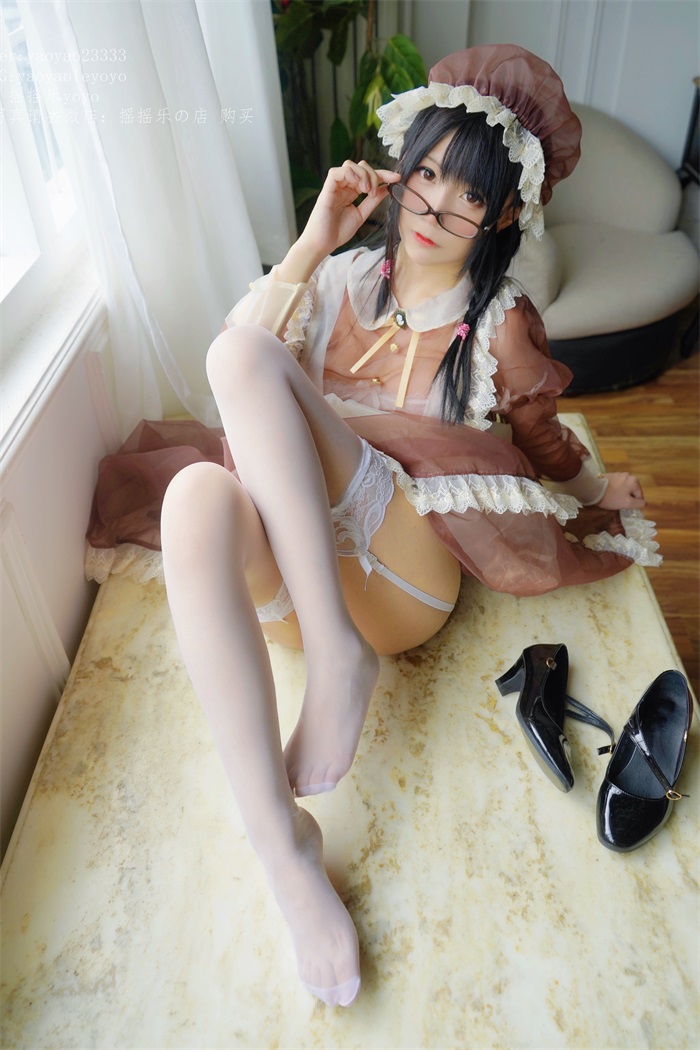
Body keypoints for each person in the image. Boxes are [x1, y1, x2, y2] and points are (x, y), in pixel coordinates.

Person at [89, 45, 659, 1008]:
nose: (433, 207)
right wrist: (313, 242)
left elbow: (539, 437)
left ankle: (341, 660)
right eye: (424, 173)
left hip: (399, 581)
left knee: (247, 361)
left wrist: (600, 487)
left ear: (504, 213)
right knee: (196, 495)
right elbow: (235, 366)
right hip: (298, 588)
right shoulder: (341, 280)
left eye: (466, 194)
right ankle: (284, 851)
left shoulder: (499, 322)